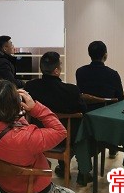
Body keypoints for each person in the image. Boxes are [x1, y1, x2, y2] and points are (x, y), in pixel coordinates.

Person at [0, 80, 78, 193]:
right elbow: (60, 132)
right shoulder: (27, 138)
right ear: (16, 105)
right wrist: (34, 108)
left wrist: (10, 110)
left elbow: (0, 126)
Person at [26, 52, 87, 180]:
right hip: (65, 138)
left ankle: (62, 167)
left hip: (38, 136)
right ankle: (82, 171)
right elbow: (83, 111)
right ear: (56, 71)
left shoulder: (30, 87)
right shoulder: (71, 91)